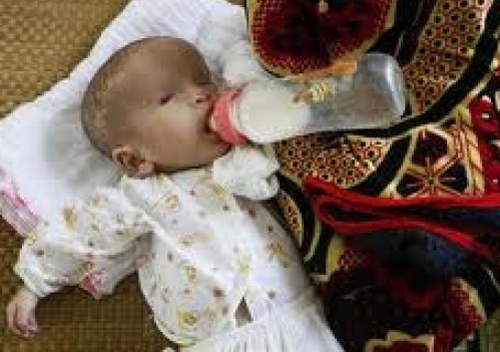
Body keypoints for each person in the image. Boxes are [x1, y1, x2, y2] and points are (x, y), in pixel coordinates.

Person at [6, 36, 344, 352]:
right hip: (220, 341)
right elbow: (79, 232)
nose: (202, 95)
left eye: (204, 81)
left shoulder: (249, 155)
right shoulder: (141, 197)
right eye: (168, 97)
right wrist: (34, 284)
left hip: (306, 322)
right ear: (135, 159)